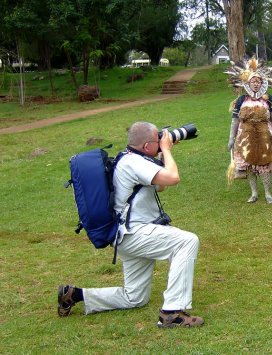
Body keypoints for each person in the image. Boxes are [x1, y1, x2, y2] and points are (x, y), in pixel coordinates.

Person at [58, 121, 204, 328]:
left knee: (134, 297)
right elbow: (172, 178)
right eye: (157, 139)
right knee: (187, 241)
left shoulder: (131, 159)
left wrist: (162, 154)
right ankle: (172, 312)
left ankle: (75, 294)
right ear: (146, 146)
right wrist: (167, 150)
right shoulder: (133, 163)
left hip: (126, 236)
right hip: (136, 233)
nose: (162, 141)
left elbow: (160, 185)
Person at [225, 56, 272, 204]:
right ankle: (254, 192)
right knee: (249, 164)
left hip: (264, 135)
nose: (256, 84)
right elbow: (235, 119)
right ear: (248, 83)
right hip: (245, 136)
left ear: (262, 83)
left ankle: (268, 193)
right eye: (253, 81)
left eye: (258, 81)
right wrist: (231, 138)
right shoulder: (241, 100)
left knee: (264, 164)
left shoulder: (268, 98)